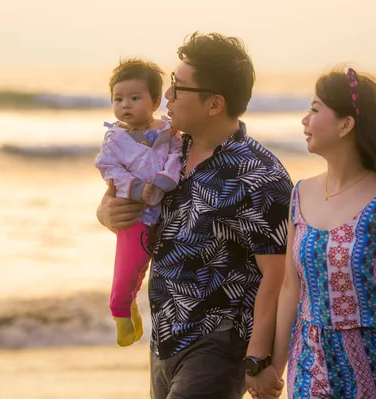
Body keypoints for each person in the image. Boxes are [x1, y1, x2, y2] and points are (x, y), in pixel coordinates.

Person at [97, 32, 293, 399]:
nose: (166, 97)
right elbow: (124, 202)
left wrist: (258, 358)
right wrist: (105, 212)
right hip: (164, 338)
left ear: (214, 103)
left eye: (178, 88)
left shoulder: (259, 176)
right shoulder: (166, 149)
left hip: (218, 343)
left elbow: (279, 277)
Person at [251, 68, 376, 399]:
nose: (305, 120)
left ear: (346, 124)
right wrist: (276, 366)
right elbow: (291, 289)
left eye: (315, 110)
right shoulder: (300, 195)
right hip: (310, 365)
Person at [94, 58, 182, 347]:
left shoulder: (170, 132)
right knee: (127, 267)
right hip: (136, 213)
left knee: (142, 267)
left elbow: (176, 157)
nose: (125, 105)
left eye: (134, 97)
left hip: (161, 212)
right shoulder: (115, 137)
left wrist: (163, 179)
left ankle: (131, 300)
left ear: (156, 101)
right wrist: (134, 189)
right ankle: (120, 310)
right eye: (118, 99)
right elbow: (108, 168)